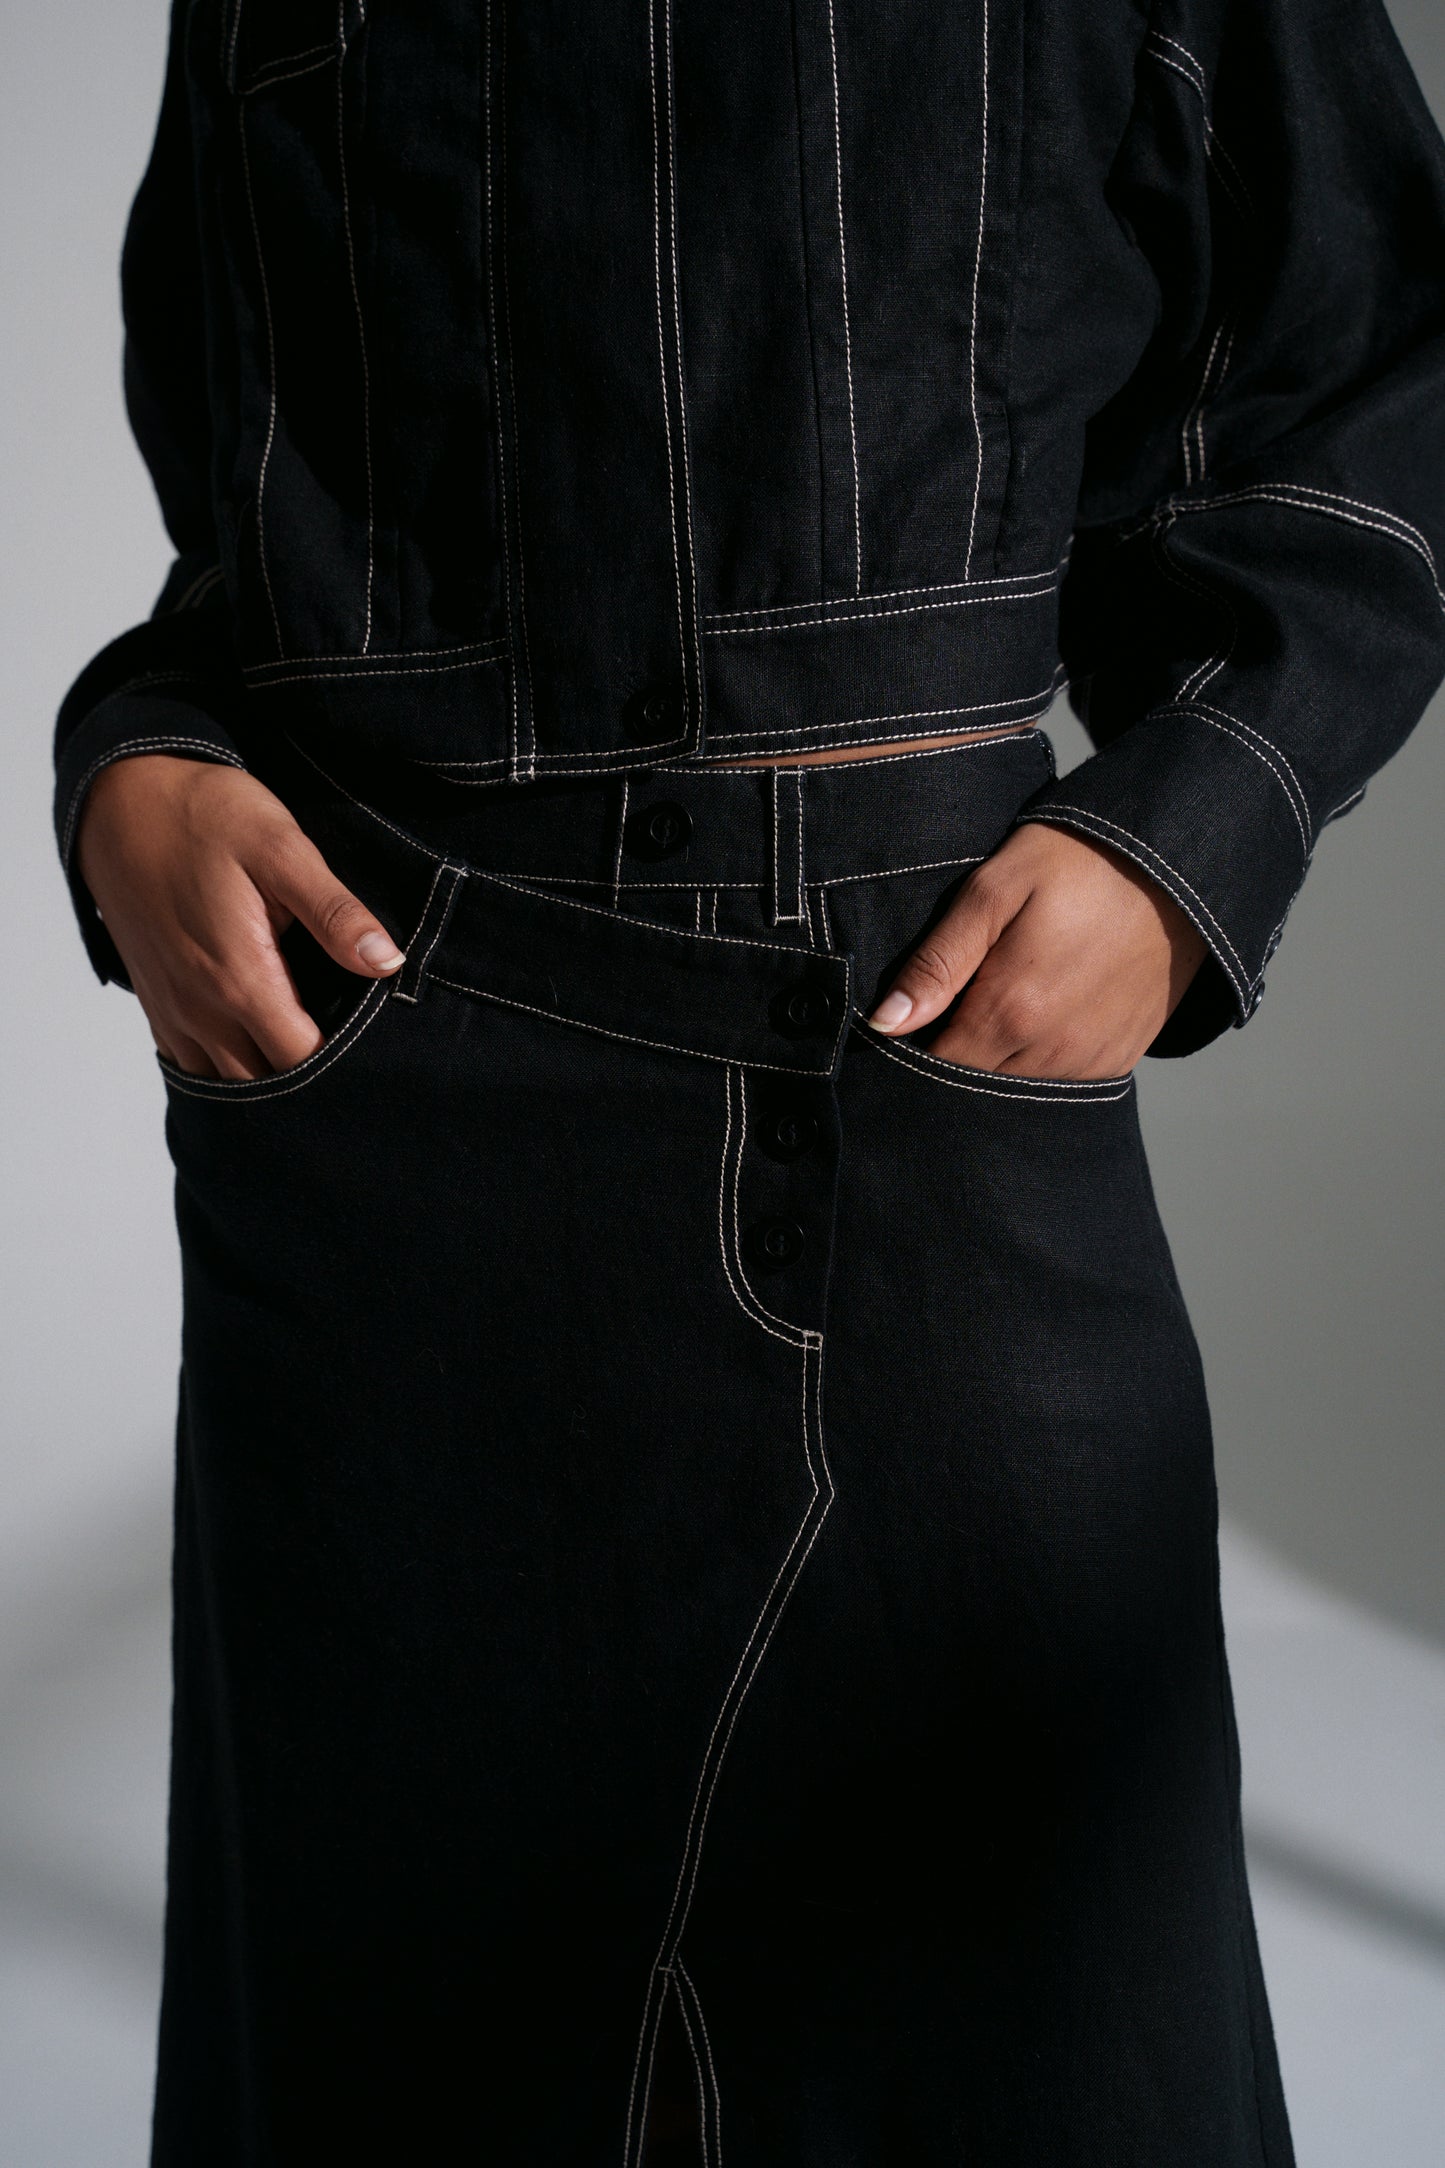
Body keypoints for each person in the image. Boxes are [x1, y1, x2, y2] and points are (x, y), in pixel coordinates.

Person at [57, 2, 1445, 2161]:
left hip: (913, 1078)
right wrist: (139, 753)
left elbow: (1382, 376)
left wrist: (1196, 830)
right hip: (386, 1141)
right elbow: (251, 526)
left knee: (1064, 2065)